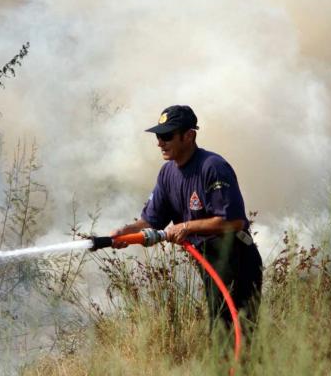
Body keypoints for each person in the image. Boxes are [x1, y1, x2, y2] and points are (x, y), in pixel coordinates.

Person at [110, 105, 263, 328]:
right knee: (220, 330)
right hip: (207, 260)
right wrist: (124, 232)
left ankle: (240, 362)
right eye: (158, 136)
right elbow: (151, 221)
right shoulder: (167, 173)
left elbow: (234, 221)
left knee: (236, 332)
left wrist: (187, 227)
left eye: (167, 136)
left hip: (236, 259)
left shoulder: (212, 167)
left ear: (189, 136)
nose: (159, 143)